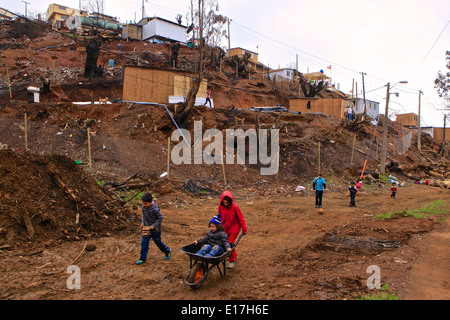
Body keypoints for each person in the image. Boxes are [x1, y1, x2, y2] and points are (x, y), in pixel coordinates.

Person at [136, 193, 171, 265]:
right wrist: (143, 223)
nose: (144, 205)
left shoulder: (155, 209)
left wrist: (154, 226)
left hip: (155, 230)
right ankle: (142, 259)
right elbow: (144, 216)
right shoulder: (144, 208)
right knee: (144, 243)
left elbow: (160, 218)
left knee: (158, 243)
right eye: (143, 203)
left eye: (145, 203)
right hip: (146, 229)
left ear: (151, 202)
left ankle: (167, 251)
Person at [218, 191, 247, 269]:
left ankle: (232, 260)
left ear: (230, 200)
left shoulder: (235, 207)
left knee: (229, 244)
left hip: (234, 228)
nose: (226, 202)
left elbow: (241, 218)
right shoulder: (221, 207)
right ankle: (234, 256)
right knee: (224, 242)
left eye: (228, 200)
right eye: (224, 200)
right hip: (225, 228)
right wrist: (218, 226)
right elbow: (219, 216)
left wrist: (244, 228)